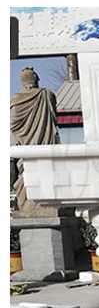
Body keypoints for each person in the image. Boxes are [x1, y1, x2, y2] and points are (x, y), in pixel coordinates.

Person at [10, 67, 60, 215]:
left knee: (26, 175)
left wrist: (23, 136)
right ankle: (45, 204)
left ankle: (29, 205)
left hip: (26, 150)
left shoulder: (15, 101)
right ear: (36, 80)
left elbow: (13, 124)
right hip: (46, 148)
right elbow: (55, 117)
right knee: (47, 174)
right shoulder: (47, 95)